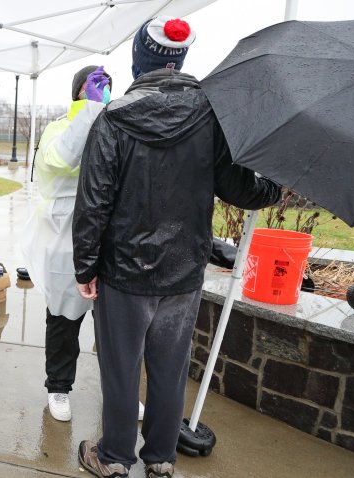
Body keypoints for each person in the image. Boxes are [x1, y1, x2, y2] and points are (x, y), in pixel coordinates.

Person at [72, 17, 281, 478]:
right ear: (180, 59)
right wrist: (274, 187)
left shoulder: (113, 118)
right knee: (169, 369)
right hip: (184, 271)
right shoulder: (210, 116)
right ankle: (160, 459)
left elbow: (93, 203)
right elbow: (240, 188)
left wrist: (85, 265)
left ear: (139, 59)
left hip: (124, 273)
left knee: (121, 369)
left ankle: (113, 458)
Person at [21, 65, 116, 422]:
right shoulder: (59, 128)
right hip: (66, 238)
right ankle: (59, 387)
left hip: (111, 238)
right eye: (96, 86)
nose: (104, 91)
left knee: (115, 328)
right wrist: (89, 110)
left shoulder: (115, 125)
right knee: (64, 320)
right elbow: (63, 159)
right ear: (79, 90)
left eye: (108, 86)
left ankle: (118, 394)